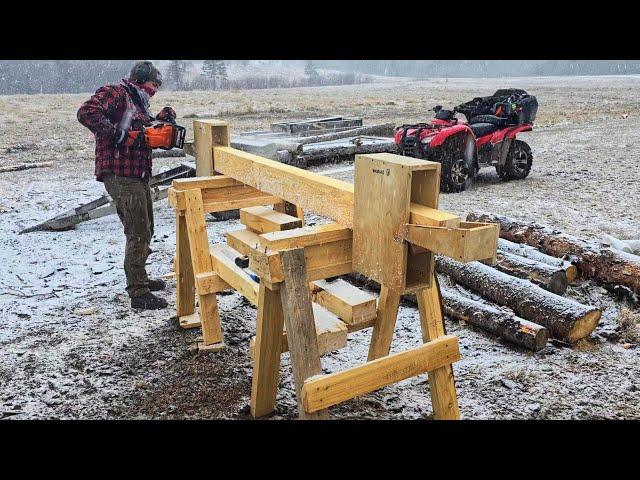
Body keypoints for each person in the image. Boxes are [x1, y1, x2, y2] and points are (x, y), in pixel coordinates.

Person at [77, 60, 176, 310]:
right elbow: (86, 112)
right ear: (142, 80)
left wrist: (159, 120)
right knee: (138, 230)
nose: (155, 91)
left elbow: (139, 129)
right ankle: (138, 292)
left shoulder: (137, 102)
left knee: (147, 226)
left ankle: (140, 277)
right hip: (120, 173)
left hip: (138, 173)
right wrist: (118, 136)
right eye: (153, 85)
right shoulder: (116, 93)